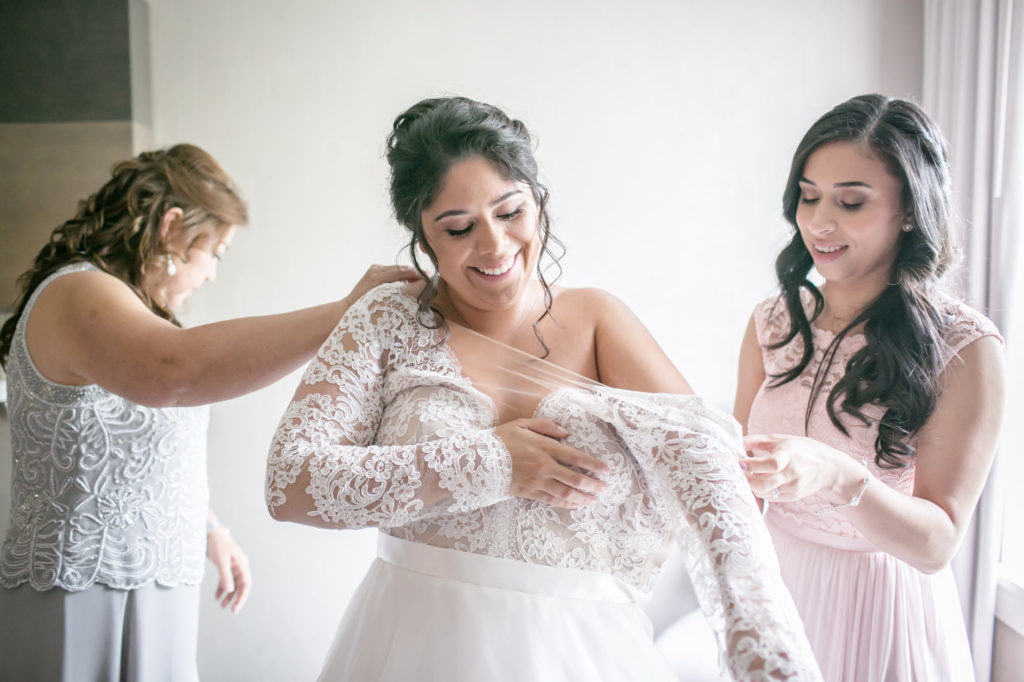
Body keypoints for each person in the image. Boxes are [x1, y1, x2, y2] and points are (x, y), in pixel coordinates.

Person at [265, 96, 822, 681]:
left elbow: (708, 475)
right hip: (412, 641)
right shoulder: (386, 320)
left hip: (580, 650)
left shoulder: (599, 319)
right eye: (459, 228)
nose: (495, 246)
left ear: (538, 199)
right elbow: (290, 482)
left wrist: (765, 647)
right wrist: (491, 462)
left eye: (511, 212)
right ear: (423, 237)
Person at [0, 143, 418, 681]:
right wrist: (342, 314)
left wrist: (207, 527)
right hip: (82, 589)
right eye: (216, 251)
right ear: (172, 227)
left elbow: (129, 455)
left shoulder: (134, 311)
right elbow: (174, 371)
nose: (213, 273)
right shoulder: (78, 292)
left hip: (157, 583)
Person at [733, 94, 1005, 681]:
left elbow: (937, 545)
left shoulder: (966, 348)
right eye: (808, 197)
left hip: (879, 608)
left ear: (910, 210)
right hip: (776, 591)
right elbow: (742, 482)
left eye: (851, 202)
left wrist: (836, 474)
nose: (819, 224)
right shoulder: (773, 323)